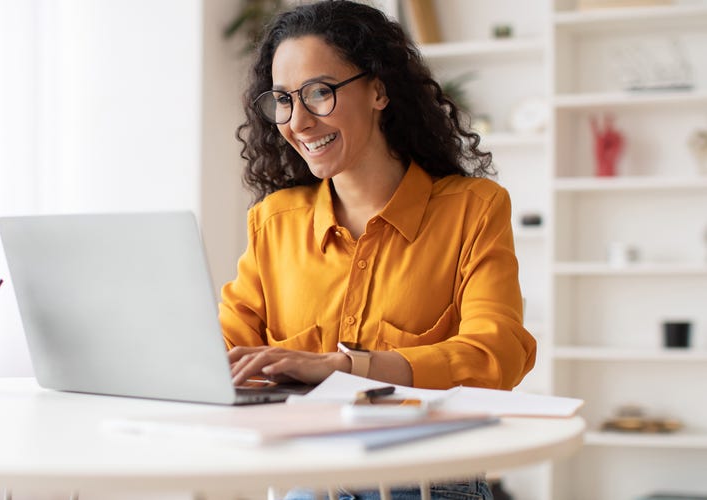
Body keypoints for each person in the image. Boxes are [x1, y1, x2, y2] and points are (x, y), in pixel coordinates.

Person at [219, 1, 536, 499]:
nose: (298, 121)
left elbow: (496, 354)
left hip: (427, 482)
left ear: (379, 90)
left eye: (319, 93)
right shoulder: (275, 222)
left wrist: (349, 368)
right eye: (283, 99)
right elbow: (226, 350)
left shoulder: (472, 209)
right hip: (309, 477)